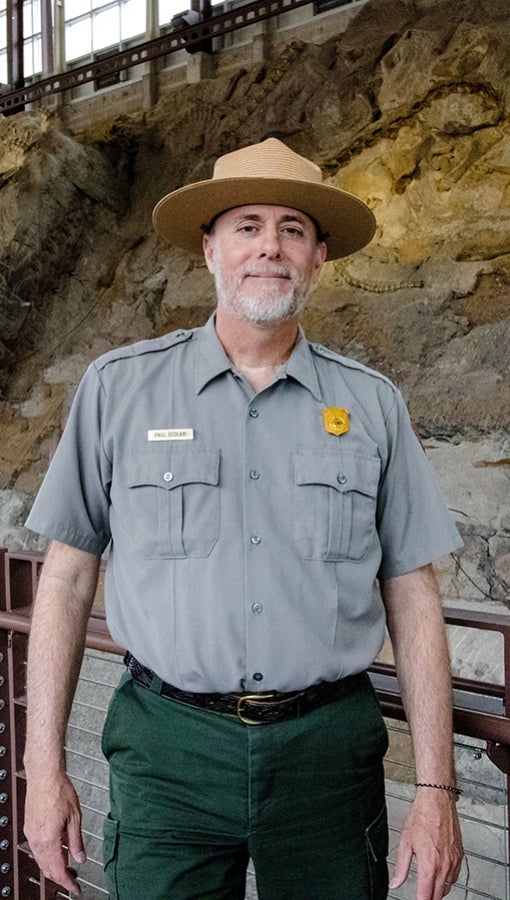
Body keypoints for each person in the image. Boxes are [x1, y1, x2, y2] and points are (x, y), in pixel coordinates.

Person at [23, 137, 464, 900]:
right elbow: (63, 584)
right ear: (210, 248)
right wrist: (43, 772)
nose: (271, 246)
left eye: (293, 228)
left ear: (319, 256)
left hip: (326, 756)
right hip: (167, 755)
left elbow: (414, 594)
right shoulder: (118, 390)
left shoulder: (372, 405)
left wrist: (437, 790)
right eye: (248, 225)